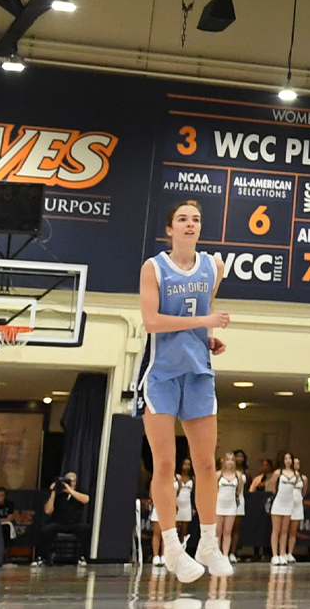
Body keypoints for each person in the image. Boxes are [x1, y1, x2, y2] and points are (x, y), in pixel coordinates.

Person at [135, 200, 232, 583]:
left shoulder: (214, 266)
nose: (190, 224)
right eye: (182, 219)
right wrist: (205, 321)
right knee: (164, 465)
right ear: (169, 229)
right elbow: (152, 321)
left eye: (195, 219)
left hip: (197, 372)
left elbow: (201, 313)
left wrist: (206, 338)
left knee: (206, 463)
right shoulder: (154, 267)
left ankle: (208, 542)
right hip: (160, 374)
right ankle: (173, 549)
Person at [38, 472, 89, 564]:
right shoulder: (59, 494)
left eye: (73, 480)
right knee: (46, 530)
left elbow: (86, 499)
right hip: (59, 523)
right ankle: (43, 557)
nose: (71, 482)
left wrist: (70, 491)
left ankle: (81, 557)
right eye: (69, 480)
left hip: (74, 524)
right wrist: (54, 492)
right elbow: (47, 511)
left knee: (86, 529)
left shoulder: (80, 492)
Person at [270, 455, 305, 565]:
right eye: (286, 459)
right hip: (278, 502)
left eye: (290, 458)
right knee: (276, 530)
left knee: (285, 531)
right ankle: (275, 555)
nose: (288, 461)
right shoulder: (277, 473)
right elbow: (271, 486)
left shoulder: (296, 474)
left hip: (289, 504)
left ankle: (282, 554)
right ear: (282, 461)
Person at [214, 452, 245, 563]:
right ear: (224, 462)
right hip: (219, 505)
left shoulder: (238, 475)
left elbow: (239, 491)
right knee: (218, 531)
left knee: (228, 531)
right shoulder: (218, 475)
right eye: (227, 460)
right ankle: (217, 554)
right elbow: (213, 491)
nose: (230, 462)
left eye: (232, 460)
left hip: (231, 506)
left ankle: (225, 555)